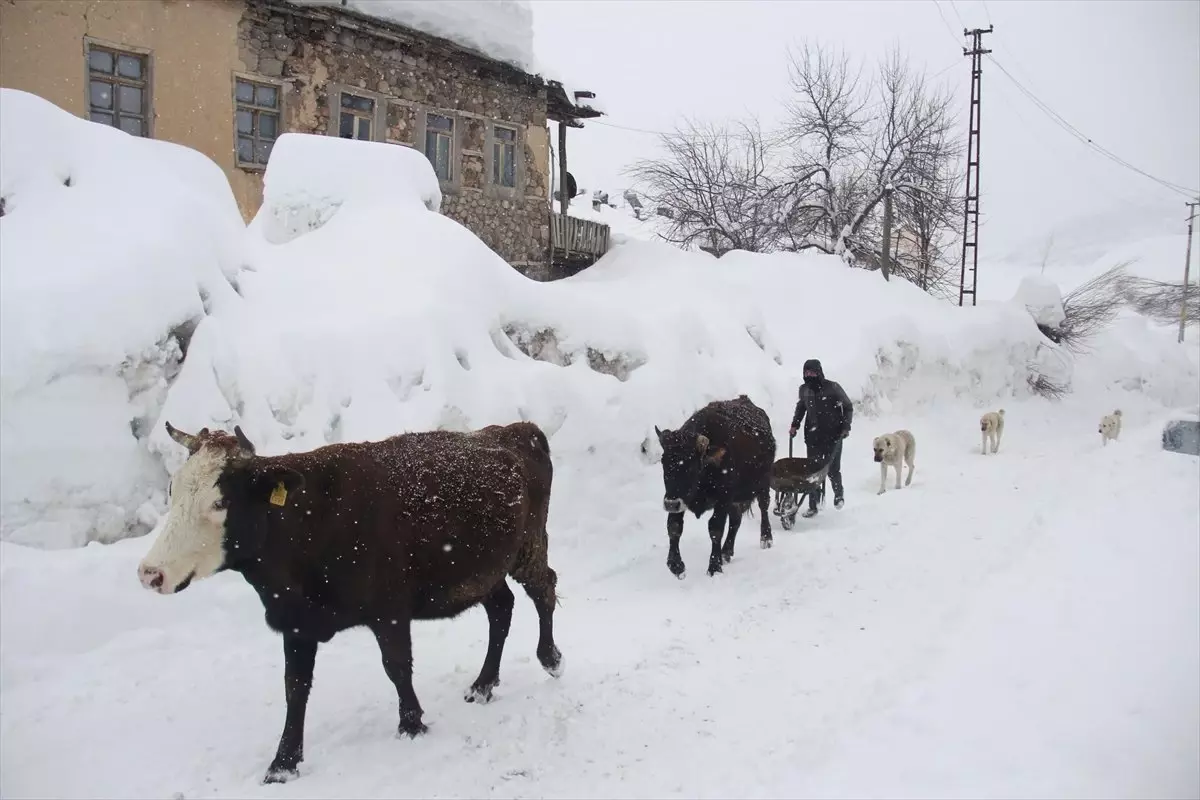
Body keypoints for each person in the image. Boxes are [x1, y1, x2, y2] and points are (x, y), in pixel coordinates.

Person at [789, 358, 852, 517]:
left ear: (819, 372)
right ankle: (814, 505)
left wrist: (845, 427)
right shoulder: (804, 389)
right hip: (812, 436)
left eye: (812, 372)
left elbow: (848, 407)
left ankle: (838, 494)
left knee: (832, 469)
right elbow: (801, 407)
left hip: (833, 435)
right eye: (806, 372)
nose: (809, 375)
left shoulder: (833, 387)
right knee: (813, 471)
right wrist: (795, 425)